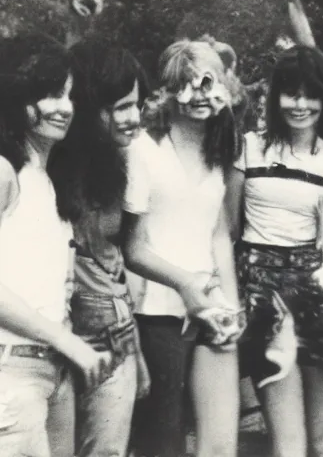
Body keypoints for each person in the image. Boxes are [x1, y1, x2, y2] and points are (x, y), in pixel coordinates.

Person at [226, 44, 323, 457]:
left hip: (318, 297)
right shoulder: (247, 147)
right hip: (264, 300)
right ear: (276, 95)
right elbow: (228, 230)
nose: (300, 104)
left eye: (311, 94)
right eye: (291, 93)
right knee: (290, 444)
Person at [124, 39, 243, 457]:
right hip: (157, 312)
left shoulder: (220, 151)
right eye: (188, 85)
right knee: (164, 437)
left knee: (221, 439)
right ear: (171, 89)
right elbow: (131, 248)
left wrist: (231, 305)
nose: (199, 96)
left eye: (209, 85)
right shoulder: (142, 149)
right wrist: (185, 285)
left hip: (210, 309)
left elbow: (218, 232)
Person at [0, 33, 114, 457]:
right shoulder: (3, 170)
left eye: (67, 94)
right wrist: (67, 342)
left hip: (53, 373)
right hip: (11, 374)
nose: (64, 107)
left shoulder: (47, 181)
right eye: (48, 94)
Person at [60, 38, 151, 457]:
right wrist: (77, 23)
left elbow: (125, 257)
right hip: (46, 335)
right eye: (120, 106)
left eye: (137, 104)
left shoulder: (125, 162)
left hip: (111, 333)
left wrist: (135, 350)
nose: (134, 118)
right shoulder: (46, 158)